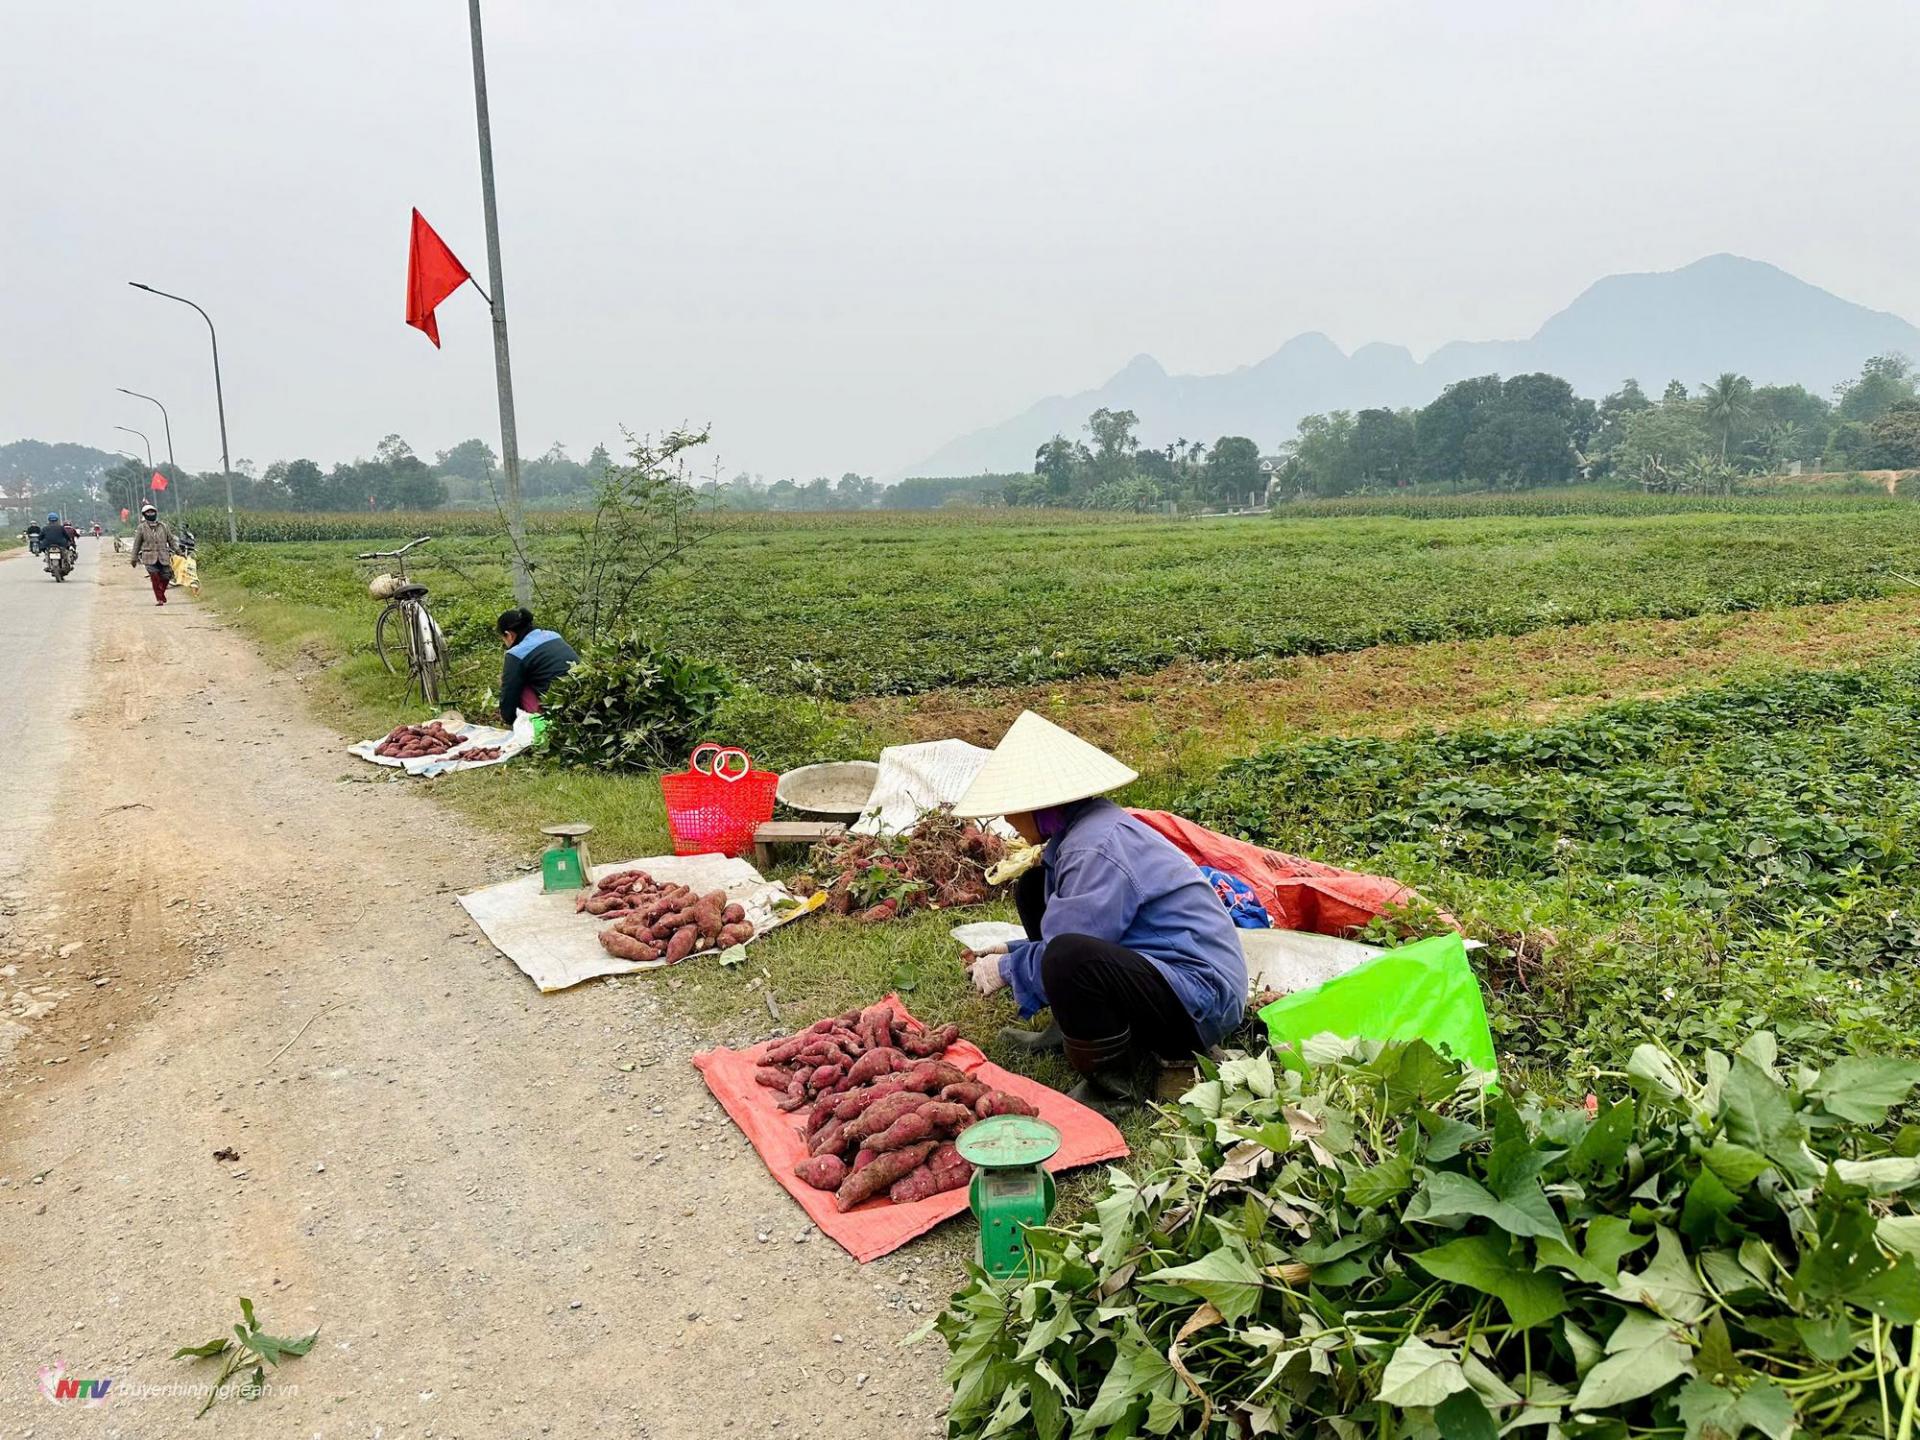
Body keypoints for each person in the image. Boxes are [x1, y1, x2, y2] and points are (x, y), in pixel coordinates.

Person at [952, 710, 1248, 1113]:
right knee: (1033, 888)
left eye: (1012, 808)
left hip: (1199, 998)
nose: (1007, 819)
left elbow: (1071, 946)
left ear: (1043, 805)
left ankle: (1111, 1089)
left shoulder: (1094, 848)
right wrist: (1011, 950)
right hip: (1166, 970)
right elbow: (1076, 922)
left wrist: (1007, 970)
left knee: (1068, 957)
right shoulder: (1082, 832)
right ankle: (1069, 1028)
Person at [496, 609, 578, 725]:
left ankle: (537, 722)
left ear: (509, 635)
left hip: (556, 712)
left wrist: (509, 719)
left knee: (512, 681)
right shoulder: (553, 635)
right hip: (580, 699)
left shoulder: (516, 653)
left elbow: (509, 696)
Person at [129, 503, 178, 605]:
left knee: (167, 576)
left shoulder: (164, 526)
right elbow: (136, 544)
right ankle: (159, 599)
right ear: (144, 514)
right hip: (149, 557)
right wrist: (133, 558)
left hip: (163, 555)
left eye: (152, 512)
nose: (150, 513)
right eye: (148, 512)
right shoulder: (141, 528)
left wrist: (179, 552)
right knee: (154, 577)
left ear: (156, 513)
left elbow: (171, 541)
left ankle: (161, 593)